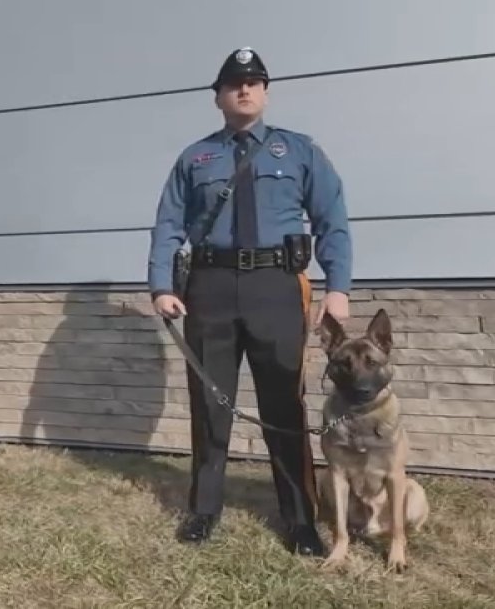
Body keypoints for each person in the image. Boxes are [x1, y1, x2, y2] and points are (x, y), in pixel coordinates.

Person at [146, 47, 353, 555]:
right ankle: (203, 509)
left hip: (276, 287)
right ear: (218, 97)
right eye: (235, 83)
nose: (245, 89)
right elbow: (169, 224)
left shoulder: (299, 151)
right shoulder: (195, 158)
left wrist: (339, 288)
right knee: (209, 404)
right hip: (210, 288)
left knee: (284, 402)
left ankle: (300, 519)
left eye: (255, 82)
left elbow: (332, 221)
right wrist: (162, 285)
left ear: (265, 92)